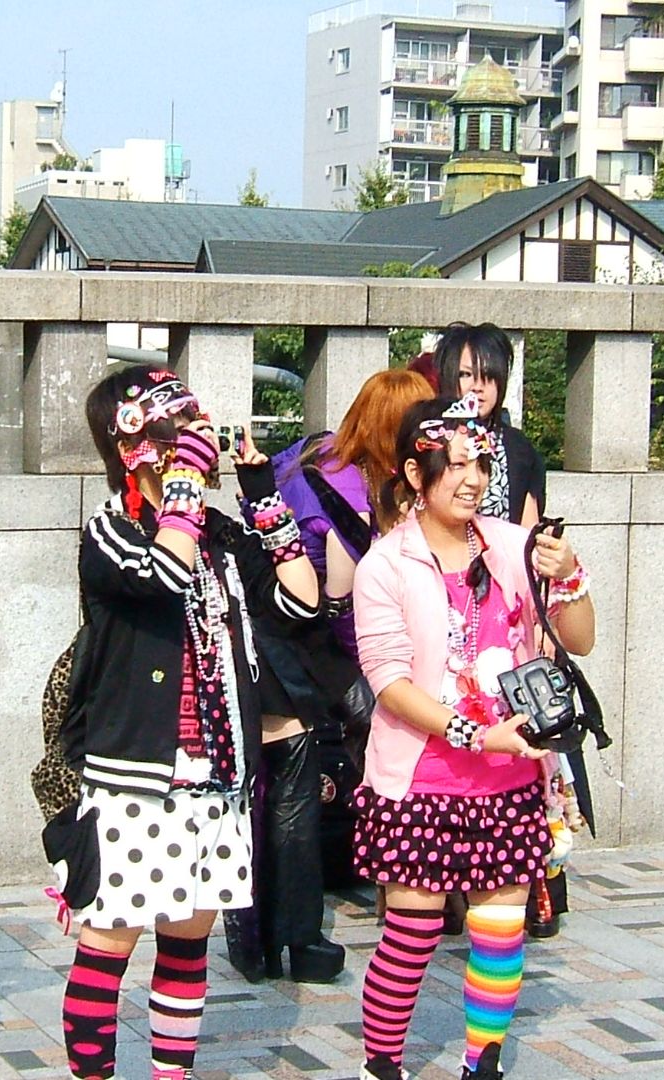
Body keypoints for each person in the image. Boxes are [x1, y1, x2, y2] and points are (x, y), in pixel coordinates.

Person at [55, 363, 319, 1080]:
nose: (195, 442)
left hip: (218, 773)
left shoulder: (218, 536)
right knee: (109, 942)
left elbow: (300, 604)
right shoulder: (108, 532)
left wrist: (262, 497)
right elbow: (161, 576)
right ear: (134, 445)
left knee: (186, 942)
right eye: (180, 430)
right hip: (136, 775)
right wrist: (181, 494)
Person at [351, 397, 593, 1080]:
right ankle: (383, 1065)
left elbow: (581, 640)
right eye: (455, 464)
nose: (473, 478)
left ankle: (480, 1065)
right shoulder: (385, 566)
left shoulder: (515, 547)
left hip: (510, 779)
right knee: (411, 936)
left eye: (480, 462)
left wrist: (567, 575)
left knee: (499, 935)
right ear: (413, 472)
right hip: (420, 780)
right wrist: (478, 734)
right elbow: (390, 684)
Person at [222, 370, 435, 985]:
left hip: (263, 634)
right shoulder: (346, 487)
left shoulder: (318, 449)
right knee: (325, 766)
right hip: (295, 643)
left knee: (272, 793)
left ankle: (265, 941)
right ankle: (373, 894)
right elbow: (340, 607)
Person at [432, 321, 580, 939]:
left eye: (486, 375)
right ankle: (440, 893)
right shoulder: (428, 445)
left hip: (509, 620)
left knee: (528, 749)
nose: (476, 387)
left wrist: (544, 625)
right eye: (464, 375)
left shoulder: (519, 453)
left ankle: (530, 892)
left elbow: (534, 538)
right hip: (443, 620)